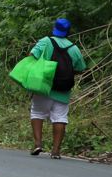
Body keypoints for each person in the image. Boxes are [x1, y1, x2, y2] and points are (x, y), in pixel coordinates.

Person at [28, 18, 86, 159]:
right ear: (68, 31)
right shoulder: (74, 48)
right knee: (60, 117)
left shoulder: (45, 41)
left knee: (37, 113)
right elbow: (80, 68)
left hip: (43, 86)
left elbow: (32, 56)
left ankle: (38, 144)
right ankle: (55, 151)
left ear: (54, 28)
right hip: (63, 89)